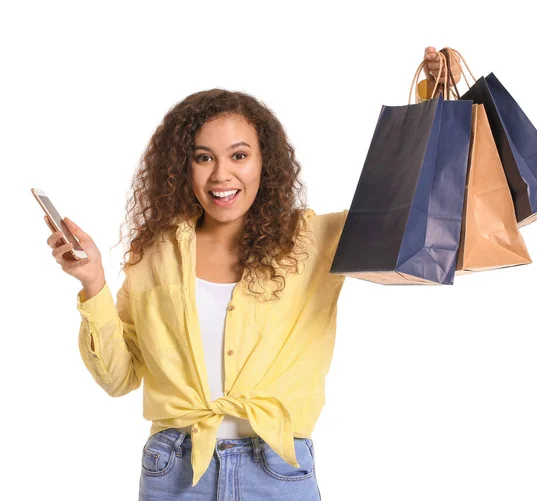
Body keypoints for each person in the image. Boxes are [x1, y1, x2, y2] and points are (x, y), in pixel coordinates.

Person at [45, 46, 462, 500]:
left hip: (277, 472)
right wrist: (94, 283)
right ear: (182, 168)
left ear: (265, 161)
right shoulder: (153, 254)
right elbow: (118, 379)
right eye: (203, 158)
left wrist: (435, 102)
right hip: (175, 472)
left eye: (239, 155)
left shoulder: (314, 240)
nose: (221, 175)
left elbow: (420, 213)